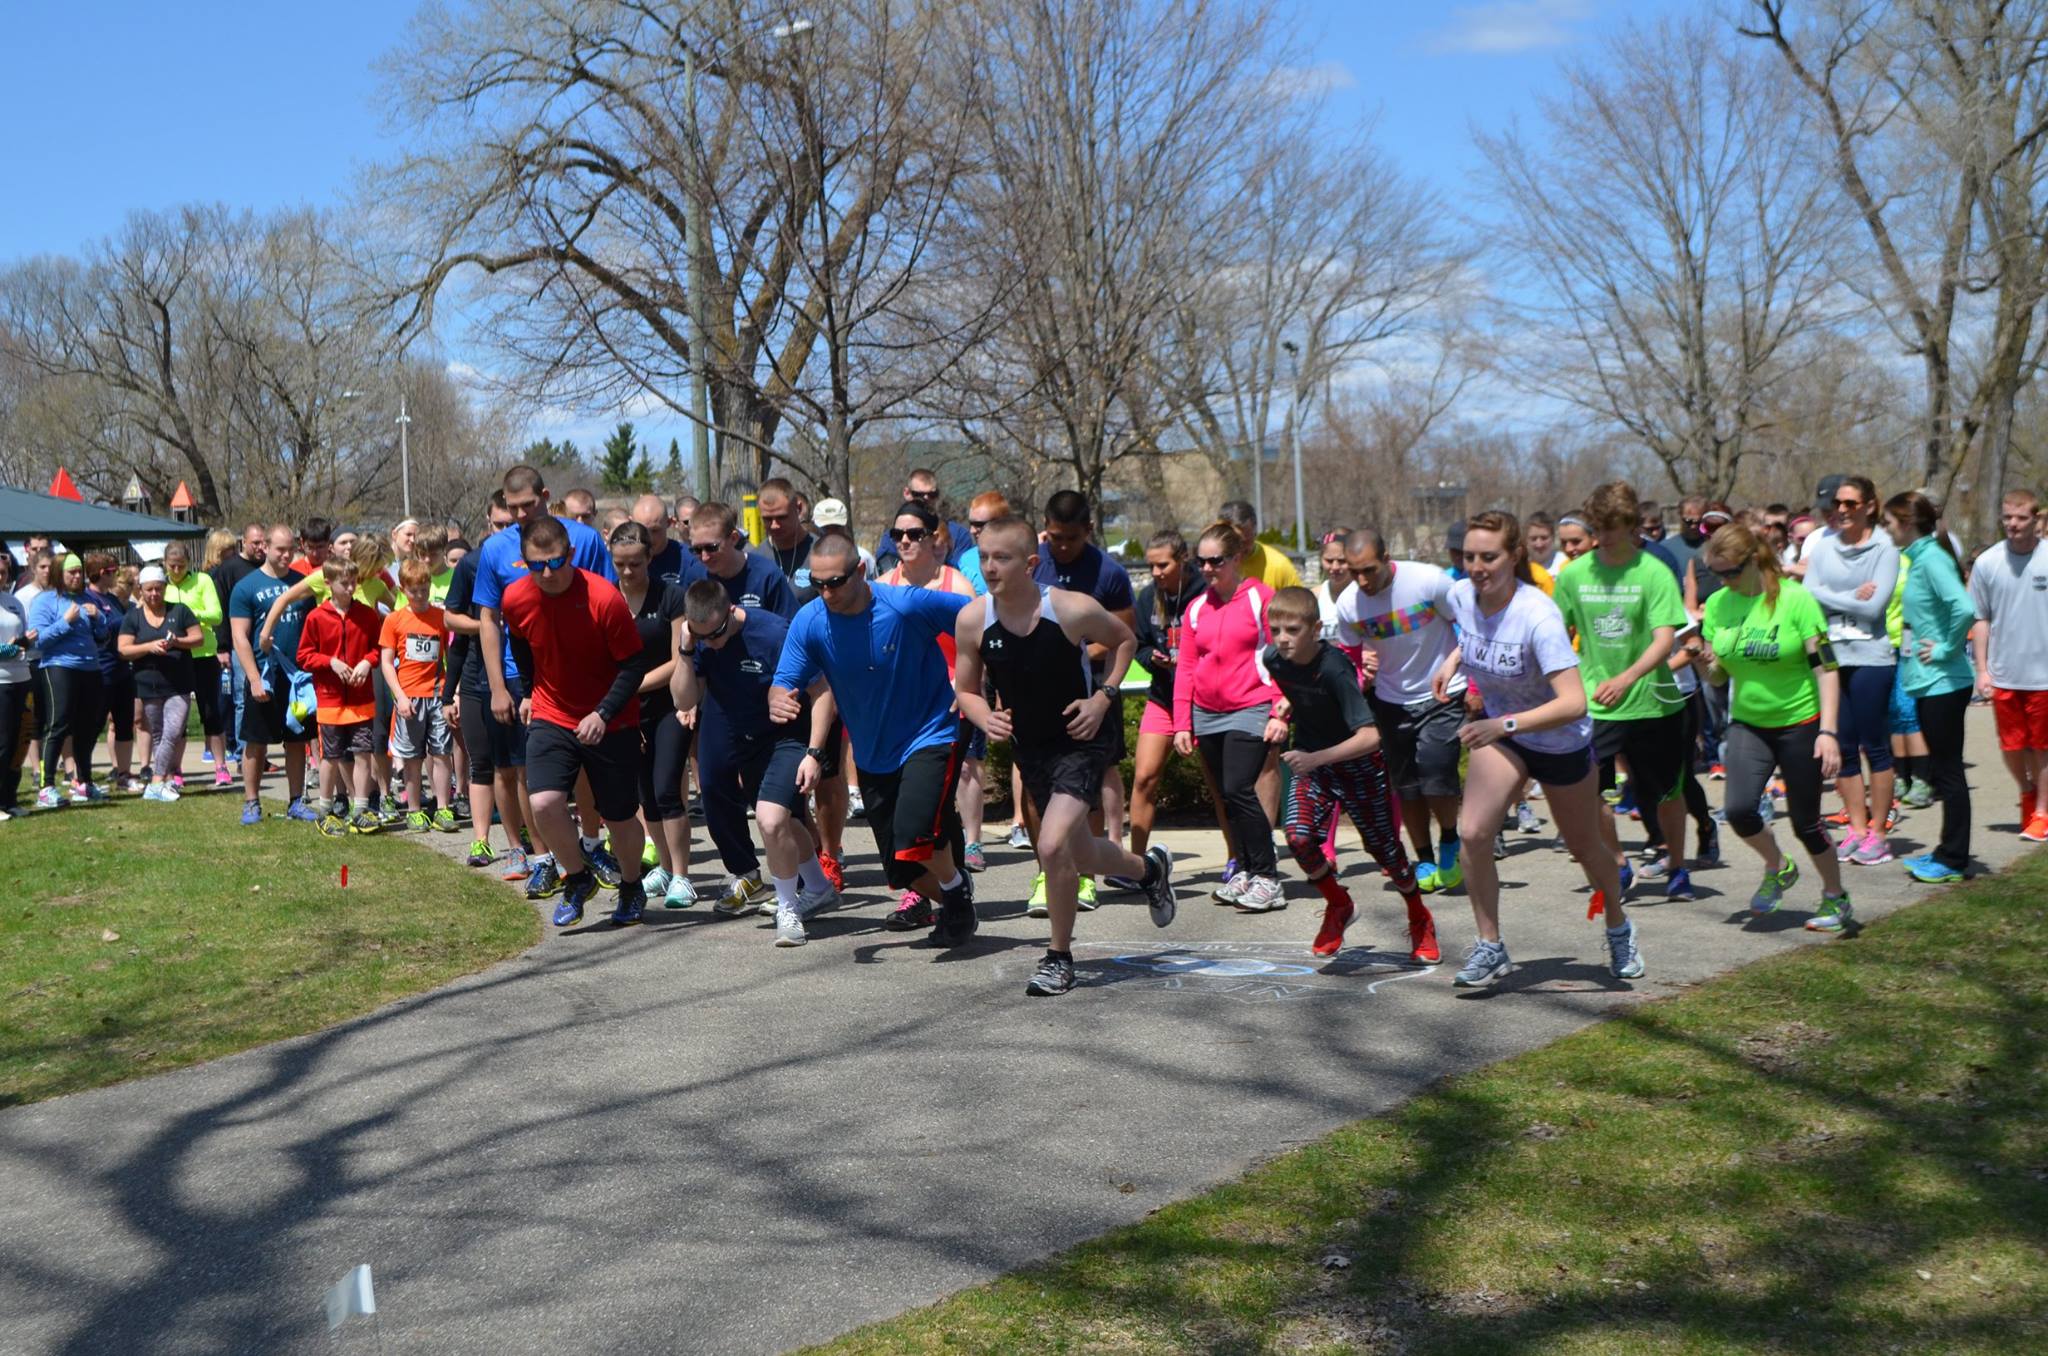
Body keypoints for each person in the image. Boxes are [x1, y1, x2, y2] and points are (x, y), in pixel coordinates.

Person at [954, 517, 1176, 995]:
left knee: (1052, 846)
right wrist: (983, 717)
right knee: (1082, 853)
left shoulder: (1070, 608)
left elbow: (1125, 641)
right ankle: (1149, 870)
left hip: (1081, 738)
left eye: (1002, 558)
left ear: (1031, 564)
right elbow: (966, 690)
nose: (990, 567)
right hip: (1030, 750)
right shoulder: (973, 619)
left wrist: (1103, 698)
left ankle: (1058, 957)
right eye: (984, 557)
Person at [1431, 511, 1640, 987]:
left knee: (1587, 848)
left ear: (1514, 556)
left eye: (1490, 557)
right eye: (1470, 557)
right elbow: (1476, 635)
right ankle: (1490, 946)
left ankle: (1617, 924)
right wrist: (1452, 660)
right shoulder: (1463, 595)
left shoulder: (1538, 615)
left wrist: (1502, 722)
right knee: (1473, 832)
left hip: (1561, 741)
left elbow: (1573, 702)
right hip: (1505, 737)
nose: (1478, 567)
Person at [769, 530, 980, 945]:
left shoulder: (903, 604)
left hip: (931, 731)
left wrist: (972, 684)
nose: (826, 592)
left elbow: (980, 617)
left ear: (861, 570)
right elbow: (784, 680)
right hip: (872, 753)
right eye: (818, 583)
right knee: (902, 870)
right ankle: (956, 894)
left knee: (914, 835)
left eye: (836, 582)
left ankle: (955, 888)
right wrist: (778, 698)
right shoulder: (810, 621)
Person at [1262, 586, 1436, 963]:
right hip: (1314, 763)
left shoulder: (1336, 668)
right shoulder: (1274, 659)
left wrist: (1317, 757)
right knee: (1298, 837)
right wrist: (1284, 710)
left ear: (1316, 629)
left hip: (1357, 764)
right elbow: (1300, 686)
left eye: (1292, 630)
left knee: (1386, 854)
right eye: (1275, 630)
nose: (1282, 639)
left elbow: (1371, 737)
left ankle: (1419, 917)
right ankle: (1339, 905)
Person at [475, 465, 620, 897]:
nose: (520, 515)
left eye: (528, 505)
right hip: (524, 674)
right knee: (528, 771)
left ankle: (591, 845)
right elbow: (488, 617)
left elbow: (608, 602)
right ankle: (545, 858)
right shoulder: (495, 550)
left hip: (582, 674)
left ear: (545, 495)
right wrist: (500, 686)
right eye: (512, 507)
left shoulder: (584, 539)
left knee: (586, 769)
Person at [1701, 521, 1854, 931]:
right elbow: (1719, 677)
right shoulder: (1718, 605)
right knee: (1737, 810)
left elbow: (1826, 668)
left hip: (1799, 722)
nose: (1724, 581)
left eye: (1731, 572)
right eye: (1717, 574)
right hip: (1748, 723)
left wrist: (1828, 732)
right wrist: (1705, 663)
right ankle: (1778, 866)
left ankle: (1835, 898)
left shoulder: (1796, 600)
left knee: (1806, 823)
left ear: (1754, 560)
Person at [499, 515, 650, 927]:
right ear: (523, 562)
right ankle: (577, 879)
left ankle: (632, 885)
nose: (546, 573)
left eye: (555, 562)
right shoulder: (516, 599)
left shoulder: (604, 598)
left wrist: (603, 713)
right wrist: (529, 690)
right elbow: (519, 641)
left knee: (619, 816)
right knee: (544, 802)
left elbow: (634, 665)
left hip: (611, 718)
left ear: (571, 554)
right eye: (536, 565)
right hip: (552, 712)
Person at [675, 579, 840, 942]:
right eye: (703, 636)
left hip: (786, 735)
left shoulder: (775, 634)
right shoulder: (700, 641)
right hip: (738, 731)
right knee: (781, 821)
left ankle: (787, 908)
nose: (713, 643)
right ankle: (818, 887)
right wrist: (686, 651)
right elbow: (683, 699)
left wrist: (814, 752)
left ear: (732, 608)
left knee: (770, 818)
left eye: (717, 633)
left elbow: (823, 691)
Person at [1553, 483, 1695, 901]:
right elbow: (1556, 634)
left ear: (1632, 525)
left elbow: (1663, 639)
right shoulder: (1575, 575)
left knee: (1668, 792)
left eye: (1613, 526)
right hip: (1599, 706)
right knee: (1594, 794)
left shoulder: (1652, 572)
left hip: (1654, 702)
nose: (1606, 535)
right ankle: (1618, 864)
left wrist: (1627, 677)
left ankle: (1678, 866)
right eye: (1599, 527)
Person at [1336, 528, 1467, 892]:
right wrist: (1362, 668)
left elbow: (1470, 625)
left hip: (1442, 692)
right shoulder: (1349, 604)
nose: (1362, 580)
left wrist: (1461, 672)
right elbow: (1349, 658)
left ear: (1387, 557)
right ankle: (1423, 857)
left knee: (1437, 773)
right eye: (1354, 571)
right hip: (1391, 700)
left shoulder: (1428, 581)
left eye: (1369, 570)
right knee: (1407, 787)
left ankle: (1450, 839)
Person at [1029, 490, 1139, 906]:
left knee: (1092, 780)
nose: (1060, 546)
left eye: (1070, 539)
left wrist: (1070, 652)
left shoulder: (1108, 573)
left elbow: (1123, 636)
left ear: (1088, 531)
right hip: (1039, 695)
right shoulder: (1034, 564)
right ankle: (1046, 873)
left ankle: (1087, 874)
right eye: (1054, 537)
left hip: (1093, 693)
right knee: (1040, 781)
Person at [1174, 520, 1285, 911]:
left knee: (1240, 788)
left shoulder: (1262, 598)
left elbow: (1280, 654)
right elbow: (1186, 666)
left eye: (1216, 561)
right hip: (1206, 711)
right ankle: (1245, 868)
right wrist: (1182, 723)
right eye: (1200, 562)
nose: (1206, 569)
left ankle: (1269, 877)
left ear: (1237, 558)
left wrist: (1279, 708)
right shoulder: (1196, 608)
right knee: (1226, 797)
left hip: (1252, 705)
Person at [882, 499, 986, 878]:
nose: (905, 541)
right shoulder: (883, 586)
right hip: (900, 711)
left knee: (933, 805)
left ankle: (939, 887)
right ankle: (947, 887)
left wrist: (964, 690)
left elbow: (978, 646)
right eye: (898, 535)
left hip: (948, 711)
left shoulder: (955, 586)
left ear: (933, 538)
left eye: (914, 534)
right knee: (919, 804)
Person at [757, 478, 850, 886]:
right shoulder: (757, 559)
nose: (774, 526)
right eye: (766, 520)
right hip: (777, 684)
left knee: (826, 773)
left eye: (780, 517)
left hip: (823, 679)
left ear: (799, 507)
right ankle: (808, 850)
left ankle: (831, 854)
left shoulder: (819, 553)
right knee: (788, 776)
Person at [1802, 475, 1900, 864]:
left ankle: (1878, 832)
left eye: (1851, 504)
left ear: (1869, 506)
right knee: (1840, 749)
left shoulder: (1884, 549)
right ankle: (1855, 830)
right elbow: (1808, 596)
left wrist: (1829, 597)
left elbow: (1874, 609)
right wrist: (1848, 597)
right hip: (1831, 658)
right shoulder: (1825, 548)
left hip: (1871, 659)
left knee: (1874, 746)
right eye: (1838, 504)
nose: (1842, 510)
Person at [1882, 490, 1975, 882]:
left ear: (1906, 523)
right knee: (1943, 770)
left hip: (1944, 681)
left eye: (1888, 522)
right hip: (1930, 682)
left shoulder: (1932, 559)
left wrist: (1945, 648)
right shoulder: (1919, 558)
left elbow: (1965, 608)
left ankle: (1953, 859)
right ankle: (1947, 851)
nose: (1885, 530)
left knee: (1947, 773)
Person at [443, 494, 537, 872]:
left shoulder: (532, 556)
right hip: (480, 672)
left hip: (524, 672)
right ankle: (483, 839)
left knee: (526, 765)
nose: (504, 530)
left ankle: (535, 836)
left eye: (508, 524)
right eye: (497, 524)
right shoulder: (472, 561)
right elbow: (451, 619)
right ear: (488, 522)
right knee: (488, 763)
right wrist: (489, 624)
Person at [607, 521, 695, 906]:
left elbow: (678, 660)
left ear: (649, 559)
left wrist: (632, 685)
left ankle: (682, 875)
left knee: (666, 788)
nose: (627, 572)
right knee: (646, 794)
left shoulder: (671, 597)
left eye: (635, 565)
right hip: (625, 713)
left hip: (668, 708)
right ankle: (661, 865)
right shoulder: (606, 598)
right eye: (620, 564)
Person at [1130, 528, 1231, 862]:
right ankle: (1134, 863)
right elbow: (1140, 644)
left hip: (1204, 702)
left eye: (1163, 565)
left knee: (1220, 787)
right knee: (1144, 777)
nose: (1157, 573)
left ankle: (1237, 860)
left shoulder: (1206, 595)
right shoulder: (1148, 598)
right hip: (1163, 697)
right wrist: (1152, 659)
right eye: (1152, 566)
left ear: (1183, 560)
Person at [1969, 487, 2048, 840]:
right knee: (2013, 746)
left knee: (2042, 746)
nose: (2013, 524)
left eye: (2021, 518)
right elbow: (1980, 618)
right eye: (2008, 518)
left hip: (2044, 675)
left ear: (2036, 520)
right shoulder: (1988, 562)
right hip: (2004, 673)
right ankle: (2026, 791)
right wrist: (1982, 669)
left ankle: (2042, 813)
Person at [229, 525, 318, 827]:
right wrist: (253, 677)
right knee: (256, 742)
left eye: (291, 549)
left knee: (297, 740)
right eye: (280, 549)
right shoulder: (246, 587)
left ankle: (296, 801)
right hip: (264, 675)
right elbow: (240, 637)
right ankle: (251, 802)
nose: (286, 555)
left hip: (297, 679)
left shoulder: (303, 584)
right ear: (265, 546)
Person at [297, 556, 382, 835]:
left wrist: (367, 662)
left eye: (353, 582)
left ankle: (360, 809)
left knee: (362, 753)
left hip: (361, 700)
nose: (350, 588)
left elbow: (378, 649)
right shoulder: (316, 617)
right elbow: (304, 656)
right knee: (330, 756)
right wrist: (330, 662)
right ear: (328, 584)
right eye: (344, 583)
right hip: (330, 699)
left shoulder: (367, 615)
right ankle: (325, 807)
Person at [379, 558, 458, 833]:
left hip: (437, 695)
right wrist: (399, 696)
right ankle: (414, 809)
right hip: (409, 698)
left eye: (425, 589)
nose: (421, 596)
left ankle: (443, 808)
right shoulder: (394, 620)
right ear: (403, 589)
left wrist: (452, 693)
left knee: (441, 754)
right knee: (412, 757)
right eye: (414, 591)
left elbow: (451, 657)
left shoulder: (441, 617)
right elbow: (387, 662)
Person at [27, 555, 112, 808]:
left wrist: (99, 618)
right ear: (58, 574)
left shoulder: (86, 598)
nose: (77, 577)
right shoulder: (45, 600)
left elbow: (103, 635)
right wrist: (65, 622)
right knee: (59, 724)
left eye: (79, 572)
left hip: (90, 667)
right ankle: (46, 786)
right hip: (59, 667)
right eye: (71, 573)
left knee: (87, 727)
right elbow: (38, 640)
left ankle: (83, 783)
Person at [118, 565, 202, 803]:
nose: (154, 593)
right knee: (158, 734)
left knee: (173, 731)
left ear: (165, 588)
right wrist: (148, 647)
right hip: (147, 684)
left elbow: (198, 638)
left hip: (178, 683)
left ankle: (155, 782)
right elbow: (123, 649)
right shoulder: (133, 617)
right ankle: (163, 781)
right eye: (149, 590)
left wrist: (177, 642)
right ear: (141, 591)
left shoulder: (180, 611)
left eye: (158, 588)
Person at [162, 541, 229, 790]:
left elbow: (216, 615)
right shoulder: (163, 585)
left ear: (189, 563)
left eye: (181, 565)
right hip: (176, 657)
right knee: (177, 718)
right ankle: (176, 769)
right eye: (172, 566)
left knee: (211, 712)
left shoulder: (202, 581)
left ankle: (221, 768)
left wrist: (188, 614)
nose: (177, 570)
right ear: (165, 564)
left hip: (203, 654)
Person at [213, 523, 268, 775]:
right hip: (238, 645)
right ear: (243, 542)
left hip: (266, 644)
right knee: (242, 700)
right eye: (255, 542)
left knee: (266, 698)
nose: (260, 547)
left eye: (263, 542)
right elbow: (222, 611)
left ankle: (261, 755)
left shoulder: (268, 569)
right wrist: (222, 646)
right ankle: (241, 754)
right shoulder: (230, 569)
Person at [688, 501, 798, 619]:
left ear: (734, 538)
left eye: (712, 547)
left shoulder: (766, 575)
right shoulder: (695, 576)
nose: (705, 557)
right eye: (697, 549)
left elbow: (792, 628)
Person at [82, 554, 135, 793]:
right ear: (103, 572)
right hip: (100, 671)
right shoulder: (86, 598)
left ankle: (124, 774)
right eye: (114, 571)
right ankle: (82, 777)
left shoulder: (112, 599)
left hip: (122, 670)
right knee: (92, 726)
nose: (117, 575)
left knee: (125, 724)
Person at [873, 467, 972, 571]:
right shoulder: (894, 536)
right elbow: (887, 571)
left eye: (932, 494)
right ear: (907, 493)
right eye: (919, 494)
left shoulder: (958, 534)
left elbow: (964, 572)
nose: (926, 499)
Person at [0, 556, 32, 821]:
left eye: (3, 573)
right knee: (2, 743)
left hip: (22, 677)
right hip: (1, 682)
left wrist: (22, 643)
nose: (1, 577)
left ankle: (10, 798)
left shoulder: (14, 602)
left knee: (18, 743)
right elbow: (10, 647)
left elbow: (25, 639)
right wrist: (9, 648)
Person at [1218, 500, 1301, 589]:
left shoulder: (1279, 566)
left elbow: (1298, 601)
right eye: (1232, 541)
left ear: (1255, 531)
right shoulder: (1211, 565)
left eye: (1245, 542)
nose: (1239, 548)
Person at [630, 493, 695, 587]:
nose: (649, 538)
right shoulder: (624, 561)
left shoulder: (688, 560)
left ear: (668, 523)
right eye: (642, 530)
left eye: (655, 530)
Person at [1312, 530, 1352, 640]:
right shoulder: (1313, 597)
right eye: (1329, 561)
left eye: (1342, 561)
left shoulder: (1366, 595)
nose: (1335, 567)